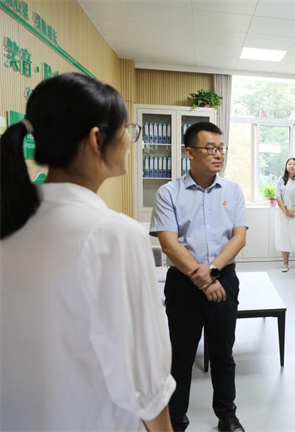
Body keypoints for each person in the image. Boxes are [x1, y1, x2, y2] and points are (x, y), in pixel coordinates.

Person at [0, 73, 175, 430]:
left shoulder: (10, 220)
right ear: (97, 139)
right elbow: (144, 385)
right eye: (127, 130)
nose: (130, 141)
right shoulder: (114, 236)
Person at [150, 122, 247, 432]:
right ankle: (176, 420)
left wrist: (213, 271)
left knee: (223, 353)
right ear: (189, 153)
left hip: (224, 280)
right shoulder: (169, 192)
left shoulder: (232, 191)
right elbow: (169, 244)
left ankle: (227, 415)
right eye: (210, 148)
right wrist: (203, 279)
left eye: (221, 148)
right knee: (181, 356)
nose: (218, 154)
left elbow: (239, 238)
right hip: (183, 283)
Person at [274, 158, 295, 272]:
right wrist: (286, 211)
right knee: (284, 236)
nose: (292, 166)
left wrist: (292, 211)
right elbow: (277, 196)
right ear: (286, 166)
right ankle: (285, 264)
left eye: (294, 164)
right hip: (283, 214)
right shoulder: (281, 180)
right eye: (289, 164)